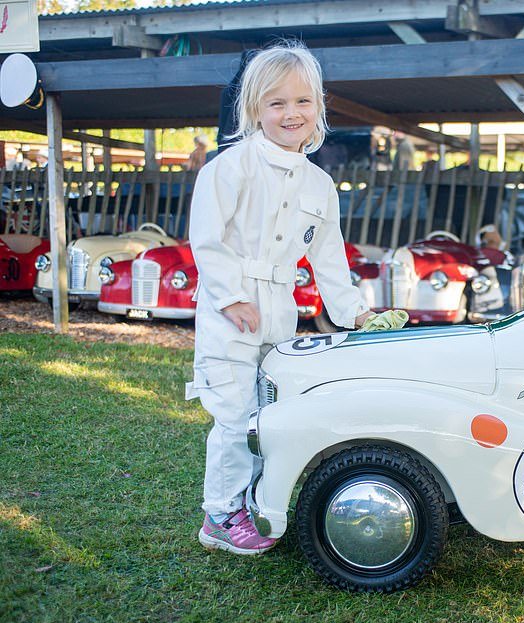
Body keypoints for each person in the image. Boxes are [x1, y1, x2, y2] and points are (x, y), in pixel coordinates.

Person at [186, 41, 374, 555]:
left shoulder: (320, 184)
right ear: (254, 109)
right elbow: (207, 239)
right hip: (232, 314)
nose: (291, 113)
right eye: (276, 103)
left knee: (270, 414)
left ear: (319, 106)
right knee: (234, 413)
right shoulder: (229, 168)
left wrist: (353, 311)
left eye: (302, 102)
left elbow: (329, 258)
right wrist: (229, 299)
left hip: (281, 315)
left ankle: (255, 502)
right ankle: (220, 516)